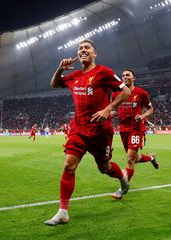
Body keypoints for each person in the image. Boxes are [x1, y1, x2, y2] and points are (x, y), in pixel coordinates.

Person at [45, 39, 131, 226]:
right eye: (80, 48)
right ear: (78, 54)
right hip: (78, 129)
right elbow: (54, 84)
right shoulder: (74, 76)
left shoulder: (103, 72)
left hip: (100, 131)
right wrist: (60, 68)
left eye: (87, 48)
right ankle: (63, 212)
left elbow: (125, 92)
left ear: (94, 54)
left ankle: (122, 176)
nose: (83, 50)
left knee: (104, 168)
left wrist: (109, 108)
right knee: (69, 165)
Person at [110, 69, 159, 200]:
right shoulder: (116, 94)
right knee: (135, 158)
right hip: (123, 129)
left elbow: (150, 110)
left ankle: (122, 189)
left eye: (127, 75)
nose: (125, 77)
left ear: (134, 78)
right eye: (123, 75)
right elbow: (113, 108)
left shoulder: (141, 93)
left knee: (130, 158)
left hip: (136, 129)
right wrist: (112, 114)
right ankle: (151, 158)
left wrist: (142, 117)